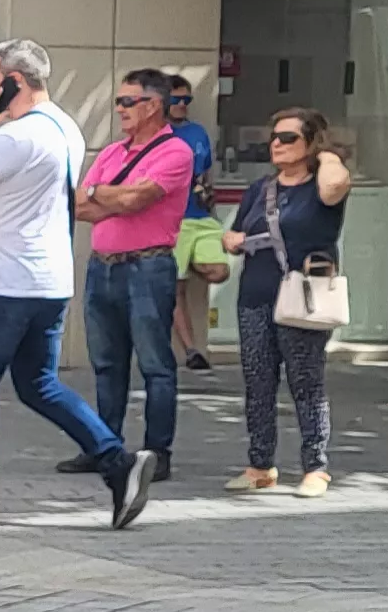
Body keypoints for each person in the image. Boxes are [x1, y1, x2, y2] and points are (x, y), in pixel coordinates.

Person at [0, 39, 147, 529]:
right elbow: (32, 199)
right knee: (38, 384)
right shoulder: (65, 127)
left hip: (6, 285)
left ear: (13, 83)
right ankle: (116, 462)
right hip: (48, 279)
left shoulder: (16, 137)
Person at [71, 71, 197, 481]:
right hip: (103, 265)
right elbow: (78, 204)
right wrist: (111, 197)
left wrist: (103, 195)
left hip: (147, 265)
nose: (120, 110)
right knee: (106, 364)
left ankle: (158, 452)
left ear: (152, 105)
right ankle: (105, 447)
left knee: (155, 364)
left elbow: (138, 198)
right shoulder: (111, 152)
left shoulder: (175, 152)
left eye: (127, 102)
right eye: (119, 102)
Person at [227, 109, 349, 498]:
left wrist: (327, 156)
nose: (276, 144)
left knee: (306, 382)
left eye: (288, 138)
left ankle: (316, 466)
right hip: (256, 294)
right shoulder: (260, 189)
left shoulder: (322, 185)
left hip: (304, 297)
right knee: (258, 383)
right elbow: (236, 230)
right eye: (274, 137)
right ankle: (260, 464)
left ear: (311, 143)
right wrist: (230, 240)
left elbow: (334, 187)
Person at [159, 72, 222, 374]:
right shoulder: (158, 135)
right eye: (176, 100)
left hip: (200, 216)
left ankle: (193, 261)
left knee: (219, 270)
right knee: (176, 289)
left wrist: (209, 193)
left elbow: (207, 171)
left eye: (187, 100)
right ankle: (192, 350)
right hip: (173, 220)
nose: (182, 105)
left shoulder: (198, 133)